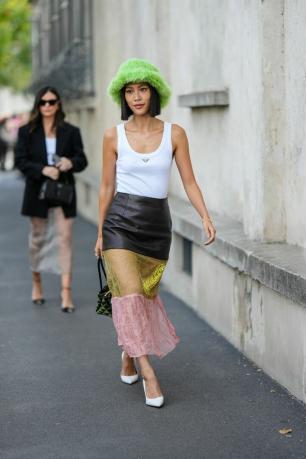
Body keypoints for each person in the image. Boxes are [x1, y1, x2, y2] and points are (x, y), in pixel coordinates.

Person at [95, 59, 216, 407]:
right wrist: (102, 232)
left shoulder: (175, 133)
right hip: (119, 222)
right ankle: (148, 373)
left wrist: (205, 215)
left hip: (156, 228)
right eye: (129, 90)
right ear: (123, 95)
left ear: (154, 92)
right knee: (129, 295)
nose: (136, 96)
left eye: (142, 89)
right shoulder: (112, 136)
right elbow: (105, 187)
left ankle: (129, 354)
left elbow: (189, 181)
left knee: (144, 300)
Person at [15, 86, 88, 313]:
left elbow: (82, 159)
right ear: (38, 105)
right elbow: (21, 161)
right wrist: (43, 170)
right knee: (37, 239)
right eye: (43, 102)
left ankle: (65, 291)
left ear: (58, 104)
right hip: (37, 192)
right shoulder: (26, 131)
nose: (47, 106)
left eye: (52, 101)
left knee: (64, 238)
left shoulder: (71, 131)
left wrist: (69, 163)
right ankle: (37, 283)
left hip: (63, 192)